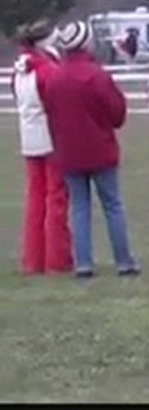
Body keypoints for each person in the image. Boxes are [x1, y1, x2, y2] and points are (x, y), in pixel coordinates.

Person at [43, 21, 140, 278]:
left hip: (69, 153)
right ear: (86, 43)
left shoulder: (55, 78)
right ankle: (124, 261)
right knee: (113, 206)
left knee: (79, 208)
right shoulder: (97, 76)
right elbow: (117, 113)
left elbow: (50, 115)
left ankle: (83, 263)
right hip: (101, 150)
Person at [10, 20, 73, 275]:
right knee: (56, 198)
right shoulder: (48, 70)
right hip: (51, 139)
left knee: (35, 198)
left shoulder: (20, 69)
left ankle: (33, 259)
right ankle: (57, 259)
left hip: (29, 139)